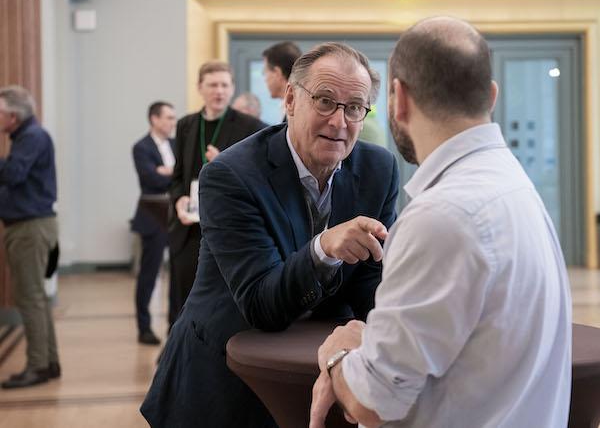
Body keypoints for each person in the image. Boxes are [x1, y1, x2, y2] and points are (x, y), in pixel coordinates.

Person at [311, 17, 573, 428]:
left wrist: (339, 354)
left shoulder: (443, 215)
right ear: (491, 95)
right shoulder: (516, 186)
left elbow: (373, 402)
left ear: (399, 98)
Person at [141, 42, 399, 427]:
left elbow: (370, 284)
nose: (339, 121)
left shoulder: (379, 169)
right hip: (224, 380)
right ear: (291, 99)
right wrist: (323, 248)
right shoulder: (231, 175)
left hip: (317, 374)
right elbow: (262, 304)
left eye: (354, 107)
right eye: (325, 101)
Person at [167, 61, 267, 327]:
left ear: (232, 88)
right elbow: (177, 177)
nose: (219, 91)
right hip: (188, 228)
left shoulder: (251, 126)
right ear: (200, 88)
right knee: (181, 302)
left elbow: (261, 176)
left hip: (227, 228)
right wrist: (179, 199)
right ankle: (177, 346)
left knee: (219, 306)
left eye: (224, 85)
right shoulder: (187, 125)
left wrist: (224, 162)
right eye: (212, 85)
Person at [0, 86, 60, 389]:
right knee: (36, 297)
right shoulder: (30, 136)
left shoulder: (32, 137)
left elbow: (13, 174)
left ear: (13, 116)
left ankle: (37, 366)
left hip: (30, 229)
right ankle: (48, 362)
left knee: (30, 298)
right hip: (33, 226)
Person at [131, 101, 176, 345]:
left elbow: (185, 176)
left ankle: (175, 326)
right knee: (149, 273)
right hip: (152, 214)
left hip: (175, 214)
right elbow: (151, 179)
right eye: (168, 117)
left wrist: (166, 171)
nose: (172, 122)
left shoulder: (175, 144)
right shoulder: (142, 147)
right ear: (154, 119)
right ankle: (144, 327)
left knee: (178, 273)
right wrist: (171, 173)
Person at [262, 41, 302, 122]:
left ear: (277, 73)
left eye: (265, 72)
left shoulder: (297, 110)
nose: (265, 79)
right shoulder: (292, 106)